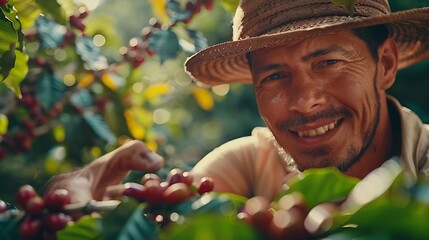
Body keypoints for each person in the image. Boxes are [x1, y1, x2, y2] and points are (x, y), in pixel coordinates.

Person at [45, 0, 429, 203]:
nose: (304, 101)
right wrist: (80, 198)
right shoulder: (248, 166)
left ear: (386, 65)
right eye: (274, 76)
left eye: (328, 63)